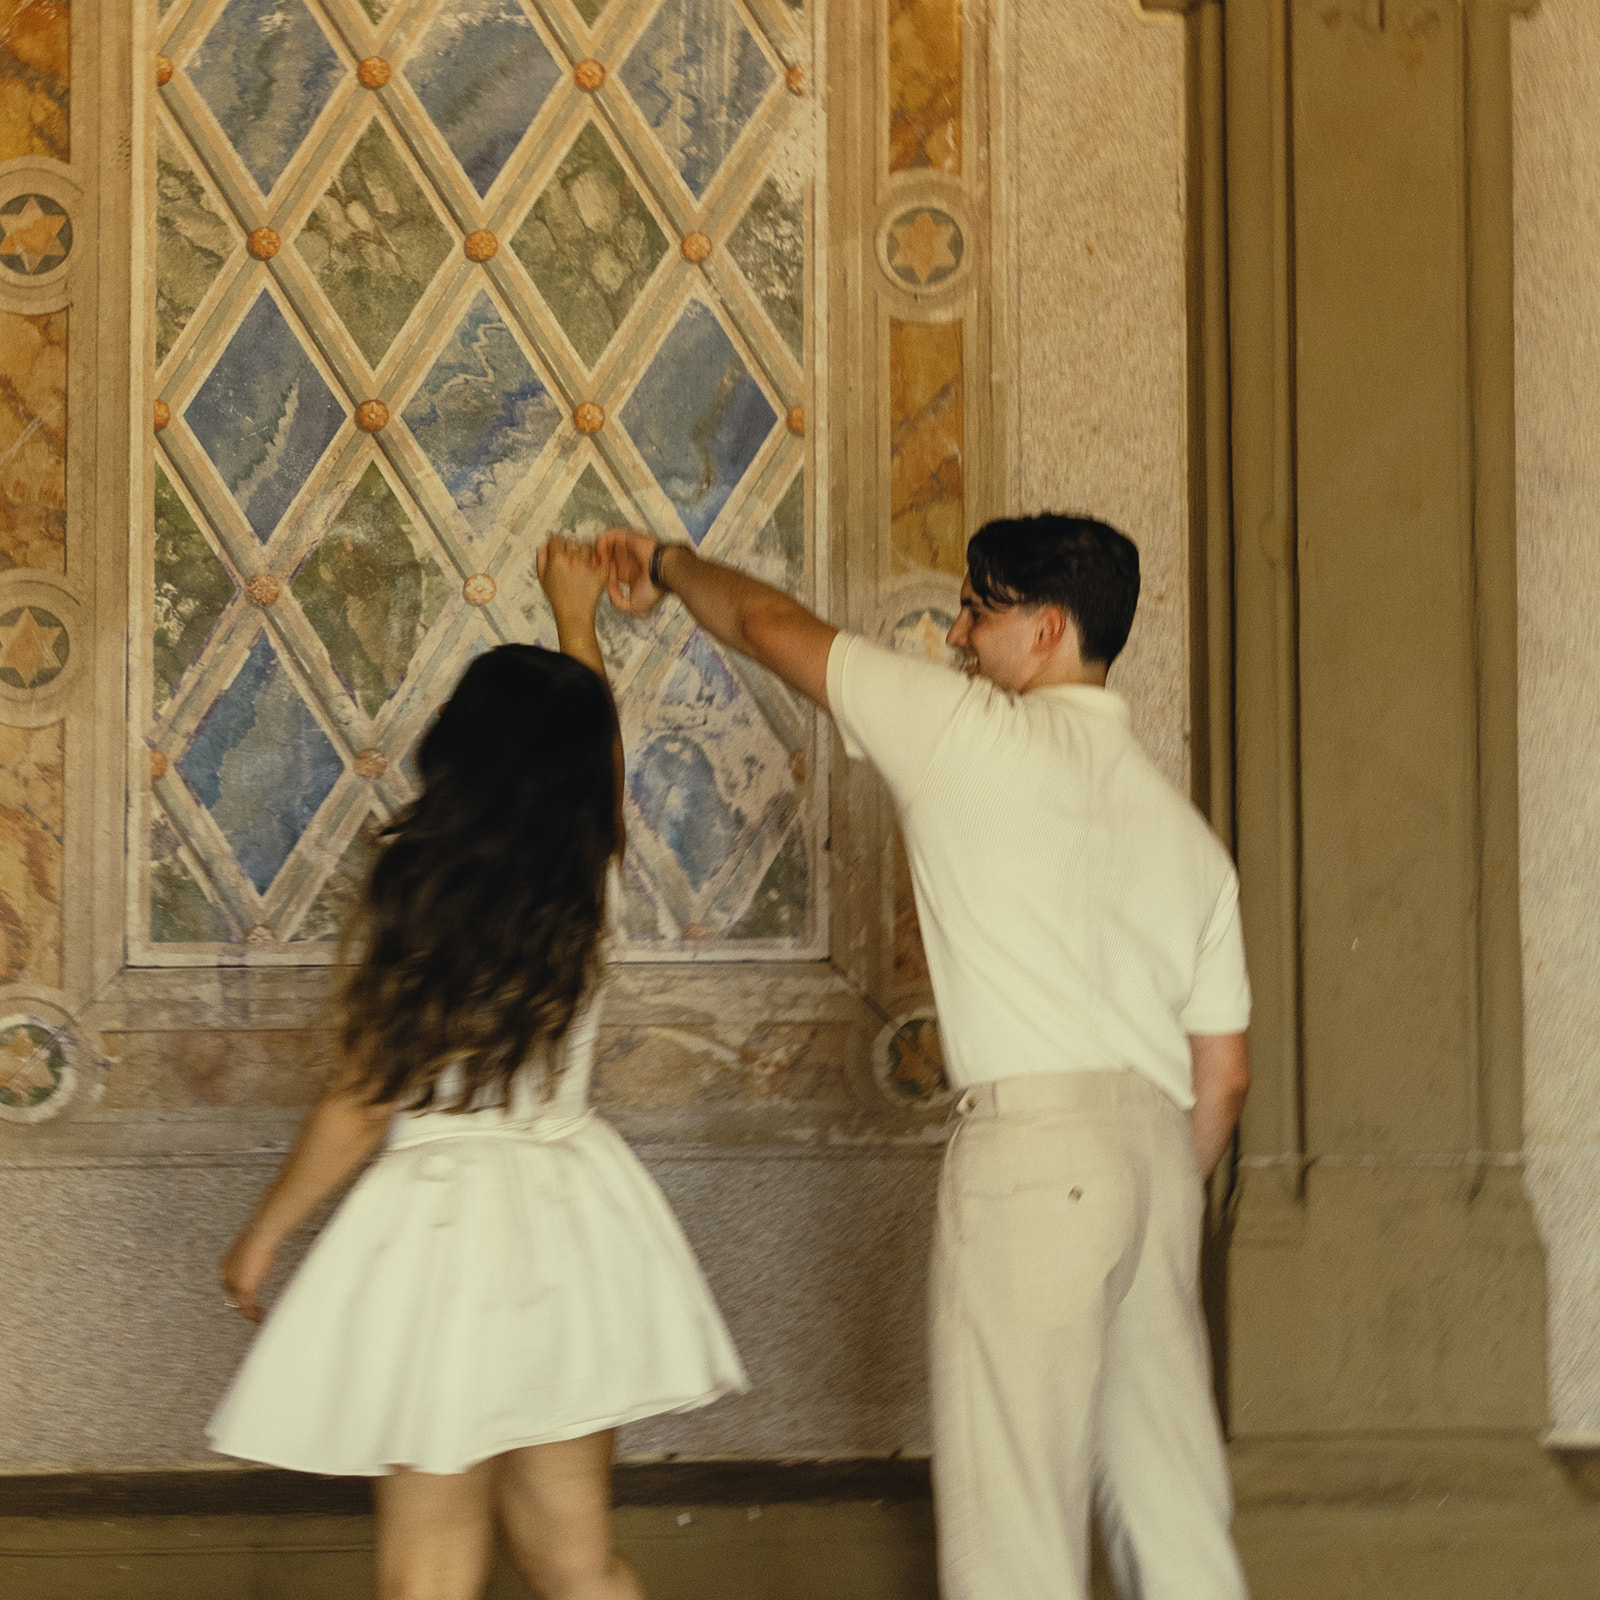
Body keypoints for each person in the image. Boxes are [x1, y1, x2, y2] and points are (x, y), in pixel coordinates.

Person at [600, 514, 1252, 1600]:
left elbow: (767, 624)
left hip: (1035, 1158)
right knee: (1176, 1507)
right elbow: (1223, 1074)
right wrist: (1138, 1199)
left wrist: (665, 565)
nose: (955, 633)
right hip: (1156, 1159)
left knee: (1014, 1528)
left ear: (1045, 628)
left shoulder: (963, 732)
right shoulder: (1186, 835)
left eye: (977, 609)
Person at [209, 538, 746, 1600]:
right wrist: (578, 623)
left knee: (430, 1567)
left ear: (458, 745)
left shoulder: (415, 888)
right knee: (573, 1557)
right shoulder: (588, 878)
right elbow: (591, 769)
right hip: (571, 1214)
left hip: (440, 1232)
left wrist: (265, 1233)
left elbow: (365, 1097)